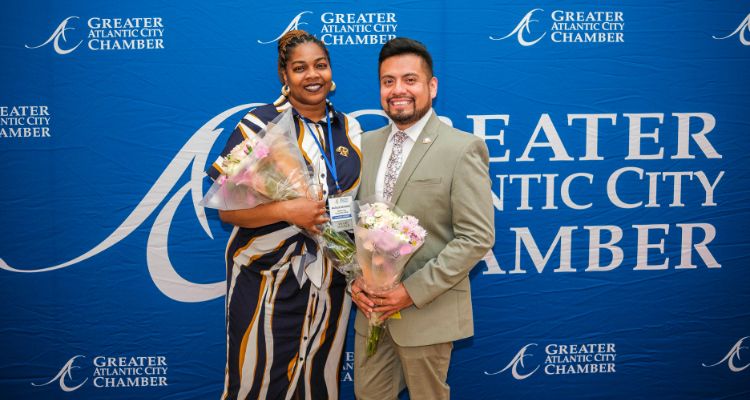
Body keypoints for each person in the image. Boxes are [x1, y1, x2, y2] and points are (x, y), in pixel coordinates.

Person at [206, 30, 362, 400]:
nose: (312, 75)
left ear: (331, 71)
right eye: (300, 68)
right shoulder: (259, 126)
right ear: (284, 76)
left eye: (320, 66)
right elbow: (227, 213)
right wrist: (288, 210)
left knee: (318, 382)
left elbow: (353, 206)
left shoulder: (349, 129)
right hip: (266, 277)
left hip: (330, 282)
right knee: (258, 382)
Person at [350, 37, 495, 400]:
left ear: (432, 86)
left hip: (427, 312)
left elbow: (476, 238)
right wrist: (356, 279)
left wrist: (409, 293)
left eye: (410, 79)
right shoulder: (363, 145)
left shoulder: (462, 148)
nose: (398, 90)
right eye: (388, 81)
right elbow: (351, 225)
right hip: (371, 316)